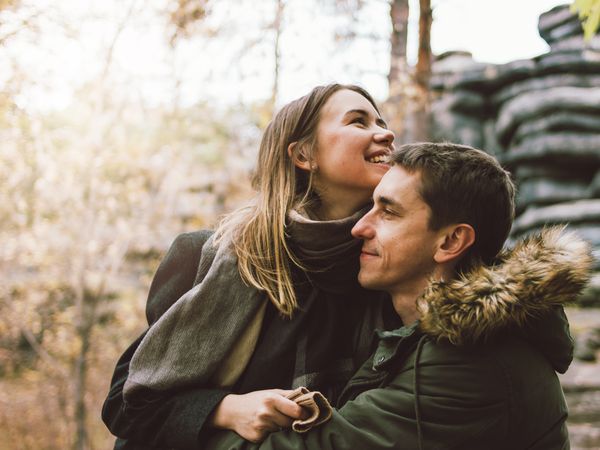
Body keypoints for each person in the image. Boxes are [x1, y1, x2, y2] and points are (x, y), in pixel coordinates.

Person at [203, 142, 591, 450]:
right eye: (370, 206)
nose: (360, 227)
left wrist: (200, 417)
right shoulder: (416, 333)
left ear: (451, 240)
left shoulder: (469, 362)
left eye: (388, 212)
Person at [102, 83, 399, 449]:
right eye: (359, 122)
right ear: (304, 155)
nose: (386, 133)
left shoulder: (388, 271)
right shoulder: (208, 256)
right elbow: (125, 403)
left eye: (381, 122)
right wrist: (226, 410)